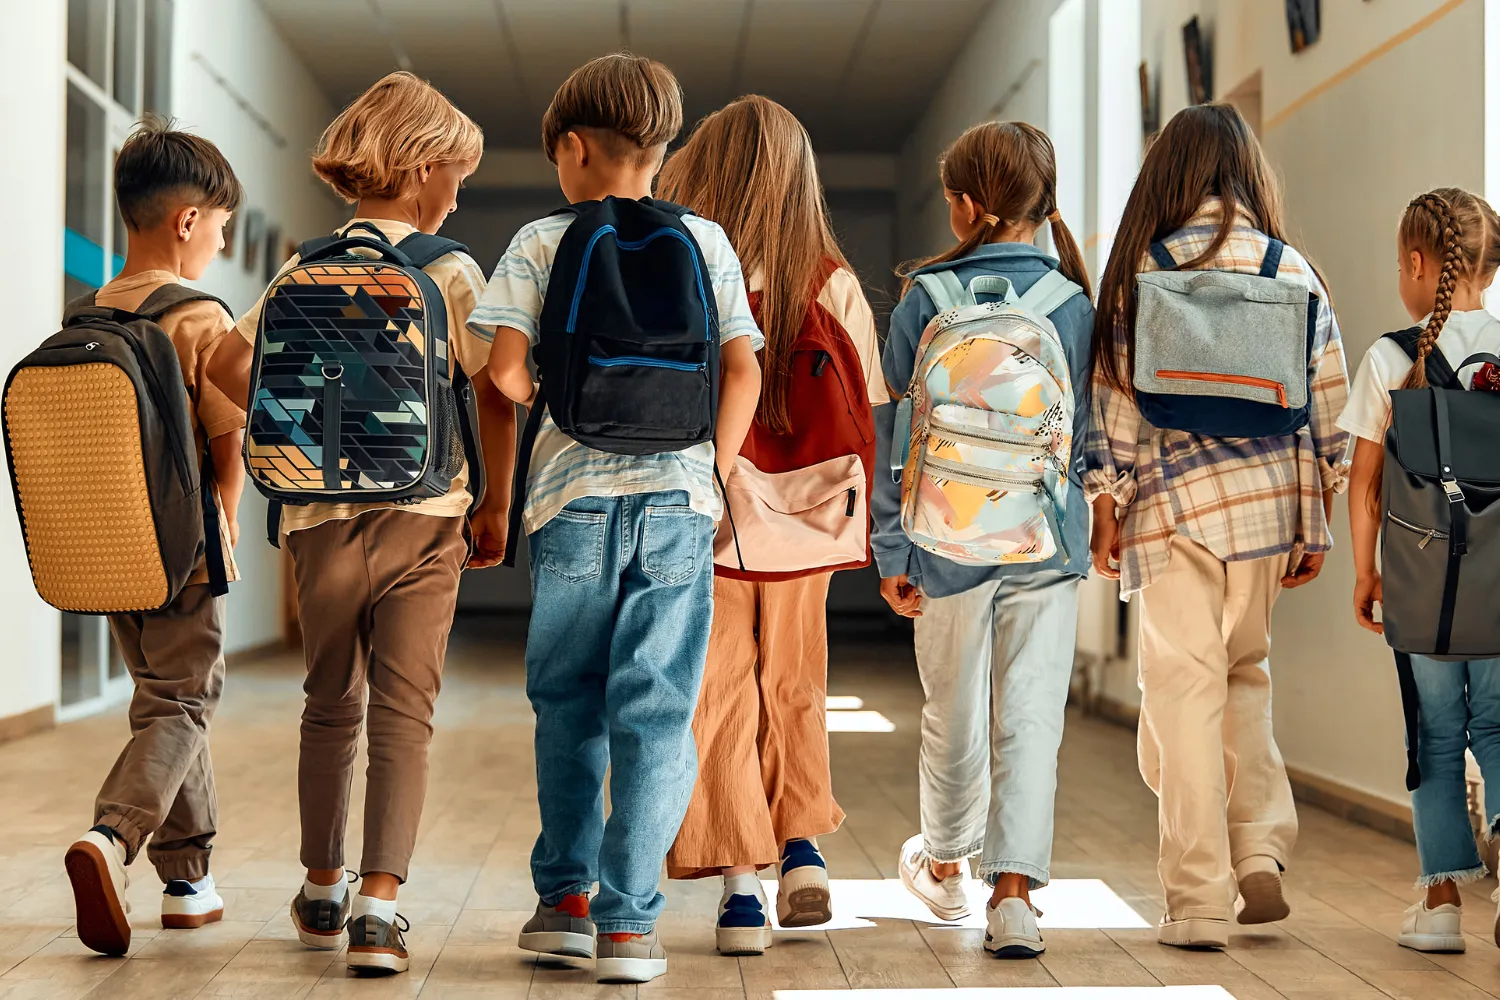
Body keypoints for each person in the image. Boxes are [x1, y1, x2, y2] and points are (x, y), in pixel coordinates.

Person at [206, 71, 515, 975]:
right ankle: (380, 911)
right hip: (425, 516)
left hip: (314, 522)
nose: (459, 192)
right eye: (456, 173)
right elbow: (495, 383)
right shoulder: (449, 270)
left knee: (328, 704)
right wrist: (495, 500)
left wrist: (300, 428)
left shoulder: (304, 265)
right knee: (405, 714)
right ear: (422, 168)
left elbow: (226, 363)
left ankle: (321, 886)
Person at [471, 53, 763, 985]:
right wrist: (708, 474)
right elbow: (744, 370)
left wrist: (555, 392)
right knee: (659, 710)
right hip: (679, 500)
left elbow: (505, 373)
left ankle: (562, 901)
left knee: (568, 704)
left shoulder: (541, 240)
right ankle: (630, 925)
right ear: (662, 148)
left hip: (572, 502)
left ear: (571, 146)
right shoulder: (707, 241)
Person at [1083, 103, 1350, 949]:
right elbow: (1330, 408)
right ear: (1248, 173)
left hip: (1174, 508)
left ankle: (1197, 899)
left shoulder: (1141, 272)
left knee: (1183, 694)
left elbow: (1114, 407)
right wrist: (1319, 521)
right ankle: (1262, 850)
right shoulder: (1290, 268)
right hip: (1270, 506)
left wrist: (1104, 506)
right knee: (1246, 676)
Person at [656, 95, 885, 954]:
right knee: (796, 679)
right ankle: (803, 851)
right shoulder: (832, 279)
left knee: (715, 692)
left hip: (709, 510)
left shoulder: (689, 266)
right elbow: (871, 404)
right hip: (807, 519)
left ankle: (741, 889)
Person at [874, 120, 1094, 958]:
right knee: (1031, 716)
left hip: (945, 541)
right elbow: (1092, 439)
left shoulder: (925, 298)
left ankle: (946, 864)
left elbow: (894, 436)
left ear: (964, 206)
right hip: (1048, 540)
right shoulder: (1074, 304)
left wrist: (893, 554)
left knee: (952, 710)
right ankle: (1014, 897)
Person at [64, 116, 245, 957]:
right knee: (185, 698)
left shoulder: (85, 312)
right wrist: (229, 520)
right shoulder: (197, 316)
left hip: (102, 544)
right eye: (220, 224)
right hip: (180, 546)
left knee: (166, 698)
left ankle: (188, 882)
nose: (220, 239)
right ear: (186, 221)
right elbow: (226, 436)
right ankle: (112, 837)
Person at [1340, 188, 1500, 954]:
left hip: (1424, 587)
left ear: (1415, 263)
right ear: (1489, 272)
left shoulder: (1390, 357)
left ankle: (1440, 907)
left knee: (1435, 736)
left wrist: (1367, 575)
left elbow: (1363, 483)